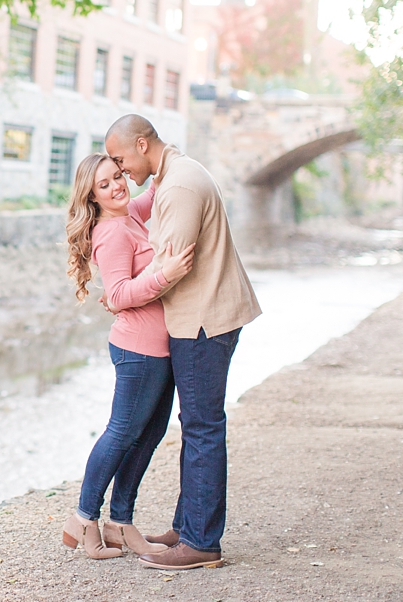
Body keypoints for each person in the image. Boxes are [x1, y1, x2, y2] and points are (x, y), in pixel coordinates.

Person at [103, 114, 261, 571]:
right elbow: (140, 226)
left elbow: (170, 268)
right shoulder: (176, 174)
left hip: (204, 321)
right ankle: (187, 525)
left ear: (142, 143)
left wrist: (120, 294)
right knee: (197, 425)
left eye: (119, 159)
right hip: (204, 317)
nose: (120, 170)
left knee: (203, 427)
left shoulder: (178, 188)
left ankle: (201, 542)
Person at [61, 152, 195, 559]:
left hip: (157, 348)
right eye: (105, 184)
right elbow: (117, 296)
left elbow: (154, 187)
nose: (118, 185)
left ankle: (119, 523)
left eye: (118, 175)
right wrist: (165, 275)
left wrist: (156, 153)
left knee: (149, 434)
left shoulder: (129, 213)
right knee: (121, 434)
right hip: (138, 350)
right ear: (93, 196)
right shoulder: (113, 232)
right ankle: (83, 521)